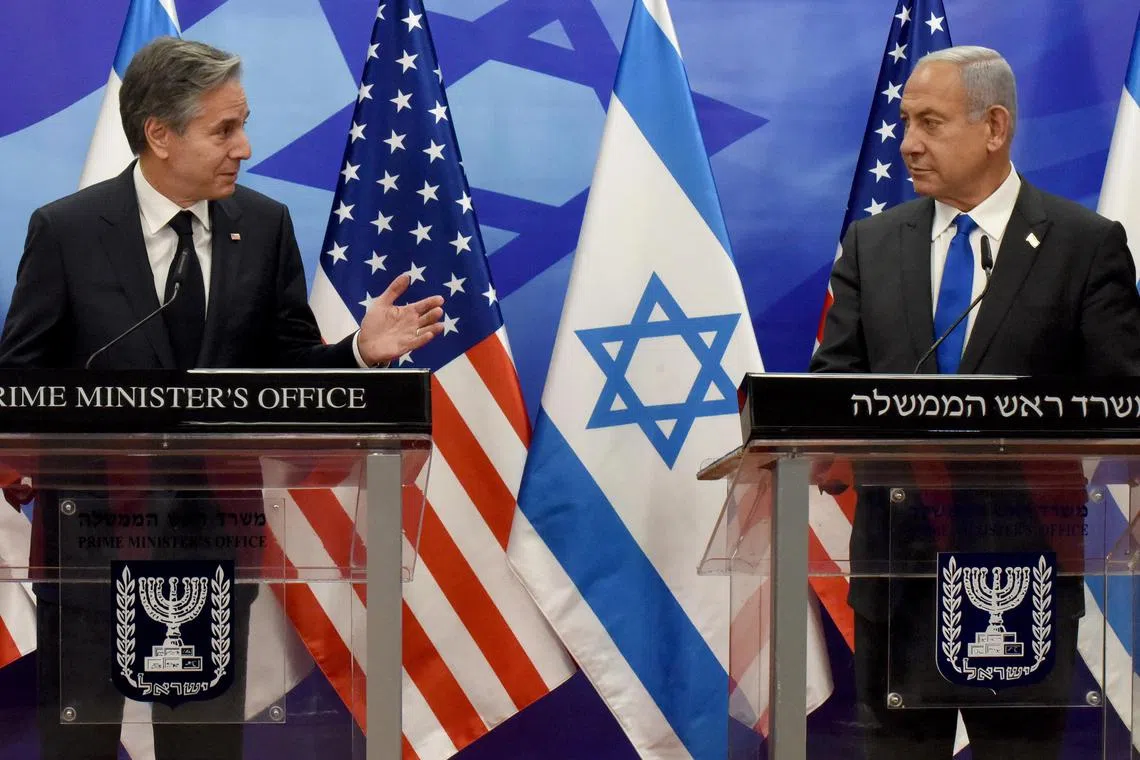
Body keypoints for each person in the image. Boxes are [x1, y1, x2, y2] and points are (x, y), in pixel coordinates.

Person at [0, 37, 444, 760]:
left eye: (242, 124)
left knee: (200, 749)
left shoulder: (262, 228)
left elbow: (288, 376)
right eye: (224, 129)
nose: (245, 146)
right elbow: (19, 384)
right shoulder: (68, 231)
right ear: (160, 135)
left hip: (209, 544)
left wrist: (359, 354)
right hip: (88, 546)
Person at [811, 46, 1140, 759]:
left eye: (929, 122)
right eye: (904, 123)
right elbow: (833, 390)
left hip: (1020, 575)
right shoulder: (872, 245)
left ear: (994, 128)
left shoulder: (1083, 247)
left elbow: (1125, 406)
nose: (908, 144)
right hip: (897, 574)